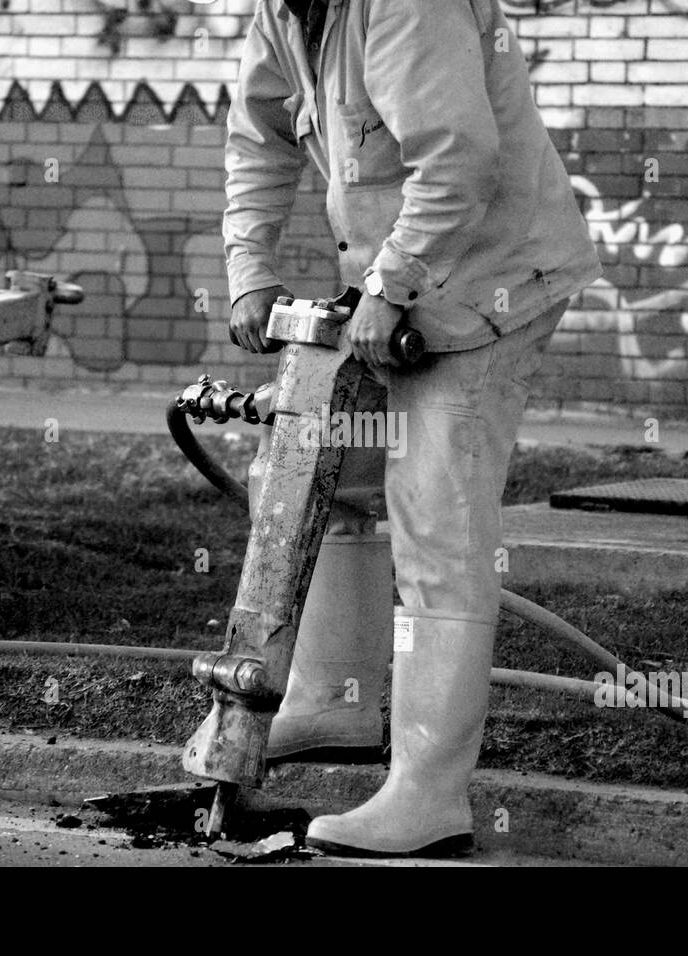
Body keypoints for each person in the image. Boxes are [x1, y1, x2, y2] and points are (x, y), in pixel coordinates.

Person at [222, 0, 601, 856]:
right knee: (323, 475)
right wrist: (250, 270)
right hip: (406, 285)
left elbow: (458, 159)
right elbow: (261, 138)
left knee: (436, 517)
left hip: (490, 281)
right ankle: (332, 700)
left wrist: (391, 282)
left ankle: (431, 797)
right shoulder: (286, 13)